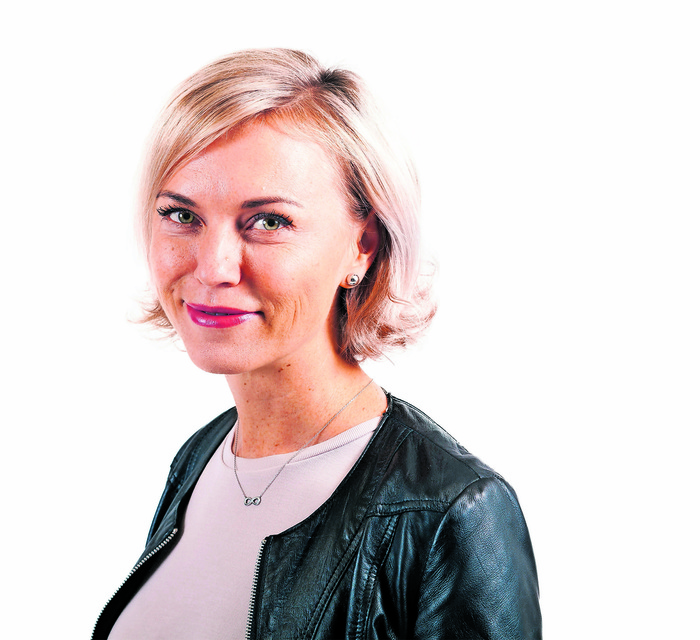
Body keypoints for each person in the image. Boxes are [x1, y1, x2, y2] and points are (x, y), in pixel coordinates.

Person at [93, 48, 540, 640]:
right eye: (182, 215)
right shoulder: (201, 459)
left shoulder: (450, 511)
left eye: (268, 221)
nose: (213, 267)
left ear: (364, 246)